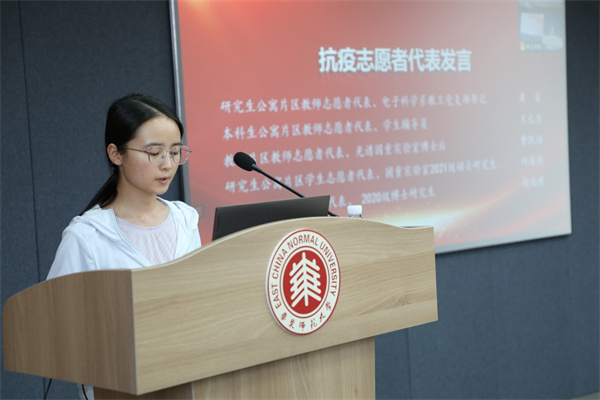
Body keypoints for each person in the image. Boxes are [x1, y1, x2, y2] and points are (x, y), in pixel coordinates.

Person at [46, 93, 201, 400]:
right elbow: (56, 328)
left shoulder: (186, 220)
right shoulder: (87, 236)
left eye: (174, 152)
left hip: (187, 380)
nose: (168, 164)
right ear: (116, 154)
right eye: (154, 153)